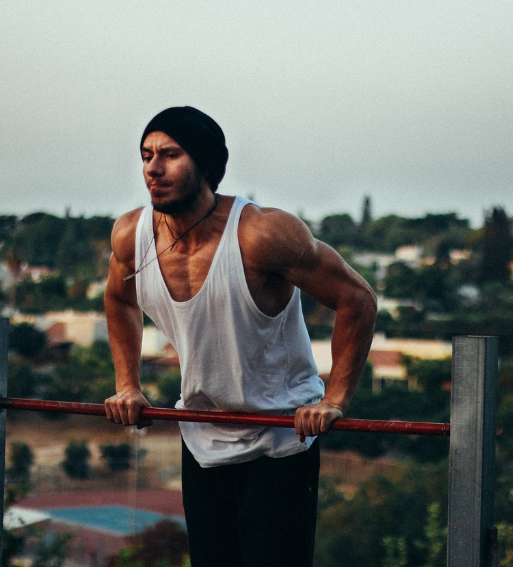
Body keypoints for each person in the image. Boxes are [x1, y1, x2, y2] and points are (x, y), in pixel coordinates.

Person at [104, 106, 377, 567]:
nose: (153, 168)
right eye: (146, 155)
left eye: (170, 155)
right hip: (202, 435)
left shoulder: (261, 234)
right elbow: (118, 299)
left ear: (206, 165)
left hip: (281, 436)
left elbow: (358, 299)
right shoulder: (131, 236)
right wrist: (127, 384)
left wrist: (334, 399)